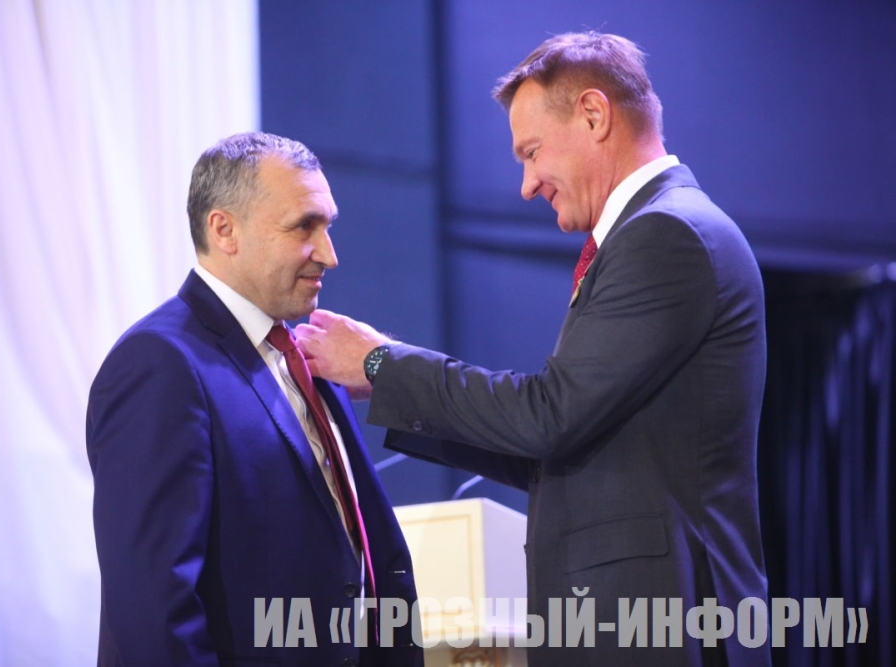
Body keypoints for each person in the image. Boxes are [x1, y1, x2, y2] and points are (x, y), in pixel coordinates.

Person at [295, 32, 770, 666]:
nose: (526, 184)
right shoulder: (655, 231)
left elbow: (550, 415)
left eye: (532, 151)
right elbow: (561, 444)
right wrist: (388, 378)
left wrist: (383, 363)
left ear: (594, 115)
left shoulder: (668, 233)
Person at [86, 132, 422, 667]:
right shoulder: (160, 363)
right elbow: (153, 605)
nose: (329, 255)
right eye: (304, 226)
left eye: (328, 226)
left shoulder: (305, 353)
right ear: (224, 230)